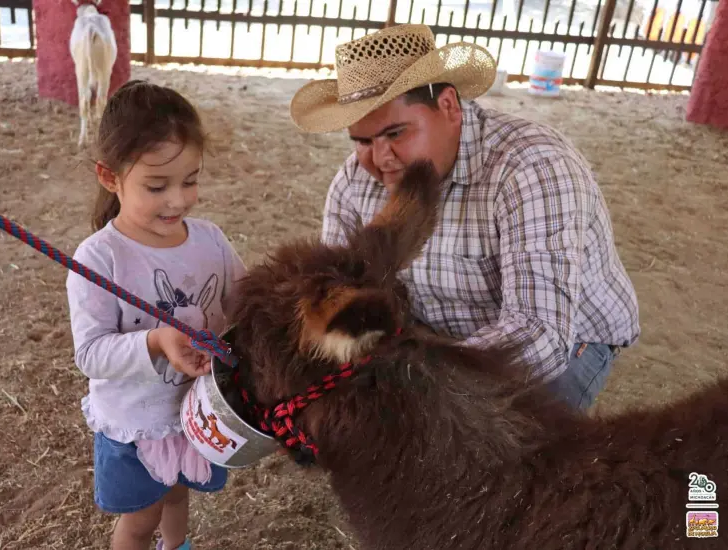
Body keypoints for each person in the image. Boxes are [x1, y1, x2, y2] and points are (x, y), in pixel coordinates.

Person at [289, 24, 640, 411]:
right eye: (362, 141)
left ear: (449, 107)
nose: (380, 158)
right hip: (431, 340)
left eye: (396, 133)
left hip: (570, 339)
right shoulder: (353, 183)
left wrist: (416, 380)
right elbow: (343, 293)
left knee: (504, 457)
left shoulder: (533, 166)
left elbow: (540, 335)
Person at [65, 80, 246, 550]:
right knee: (141, 520)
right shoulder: (99, 259)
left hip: (194, 412)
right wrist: (154, 340)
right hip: (136, 422)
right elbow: (90, 354)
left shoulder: (210, 240)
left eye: (191, 180)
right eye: (156, 185)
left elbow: (244, 302)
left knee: (178, 495)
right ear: (110, 177)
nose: (178, 200)